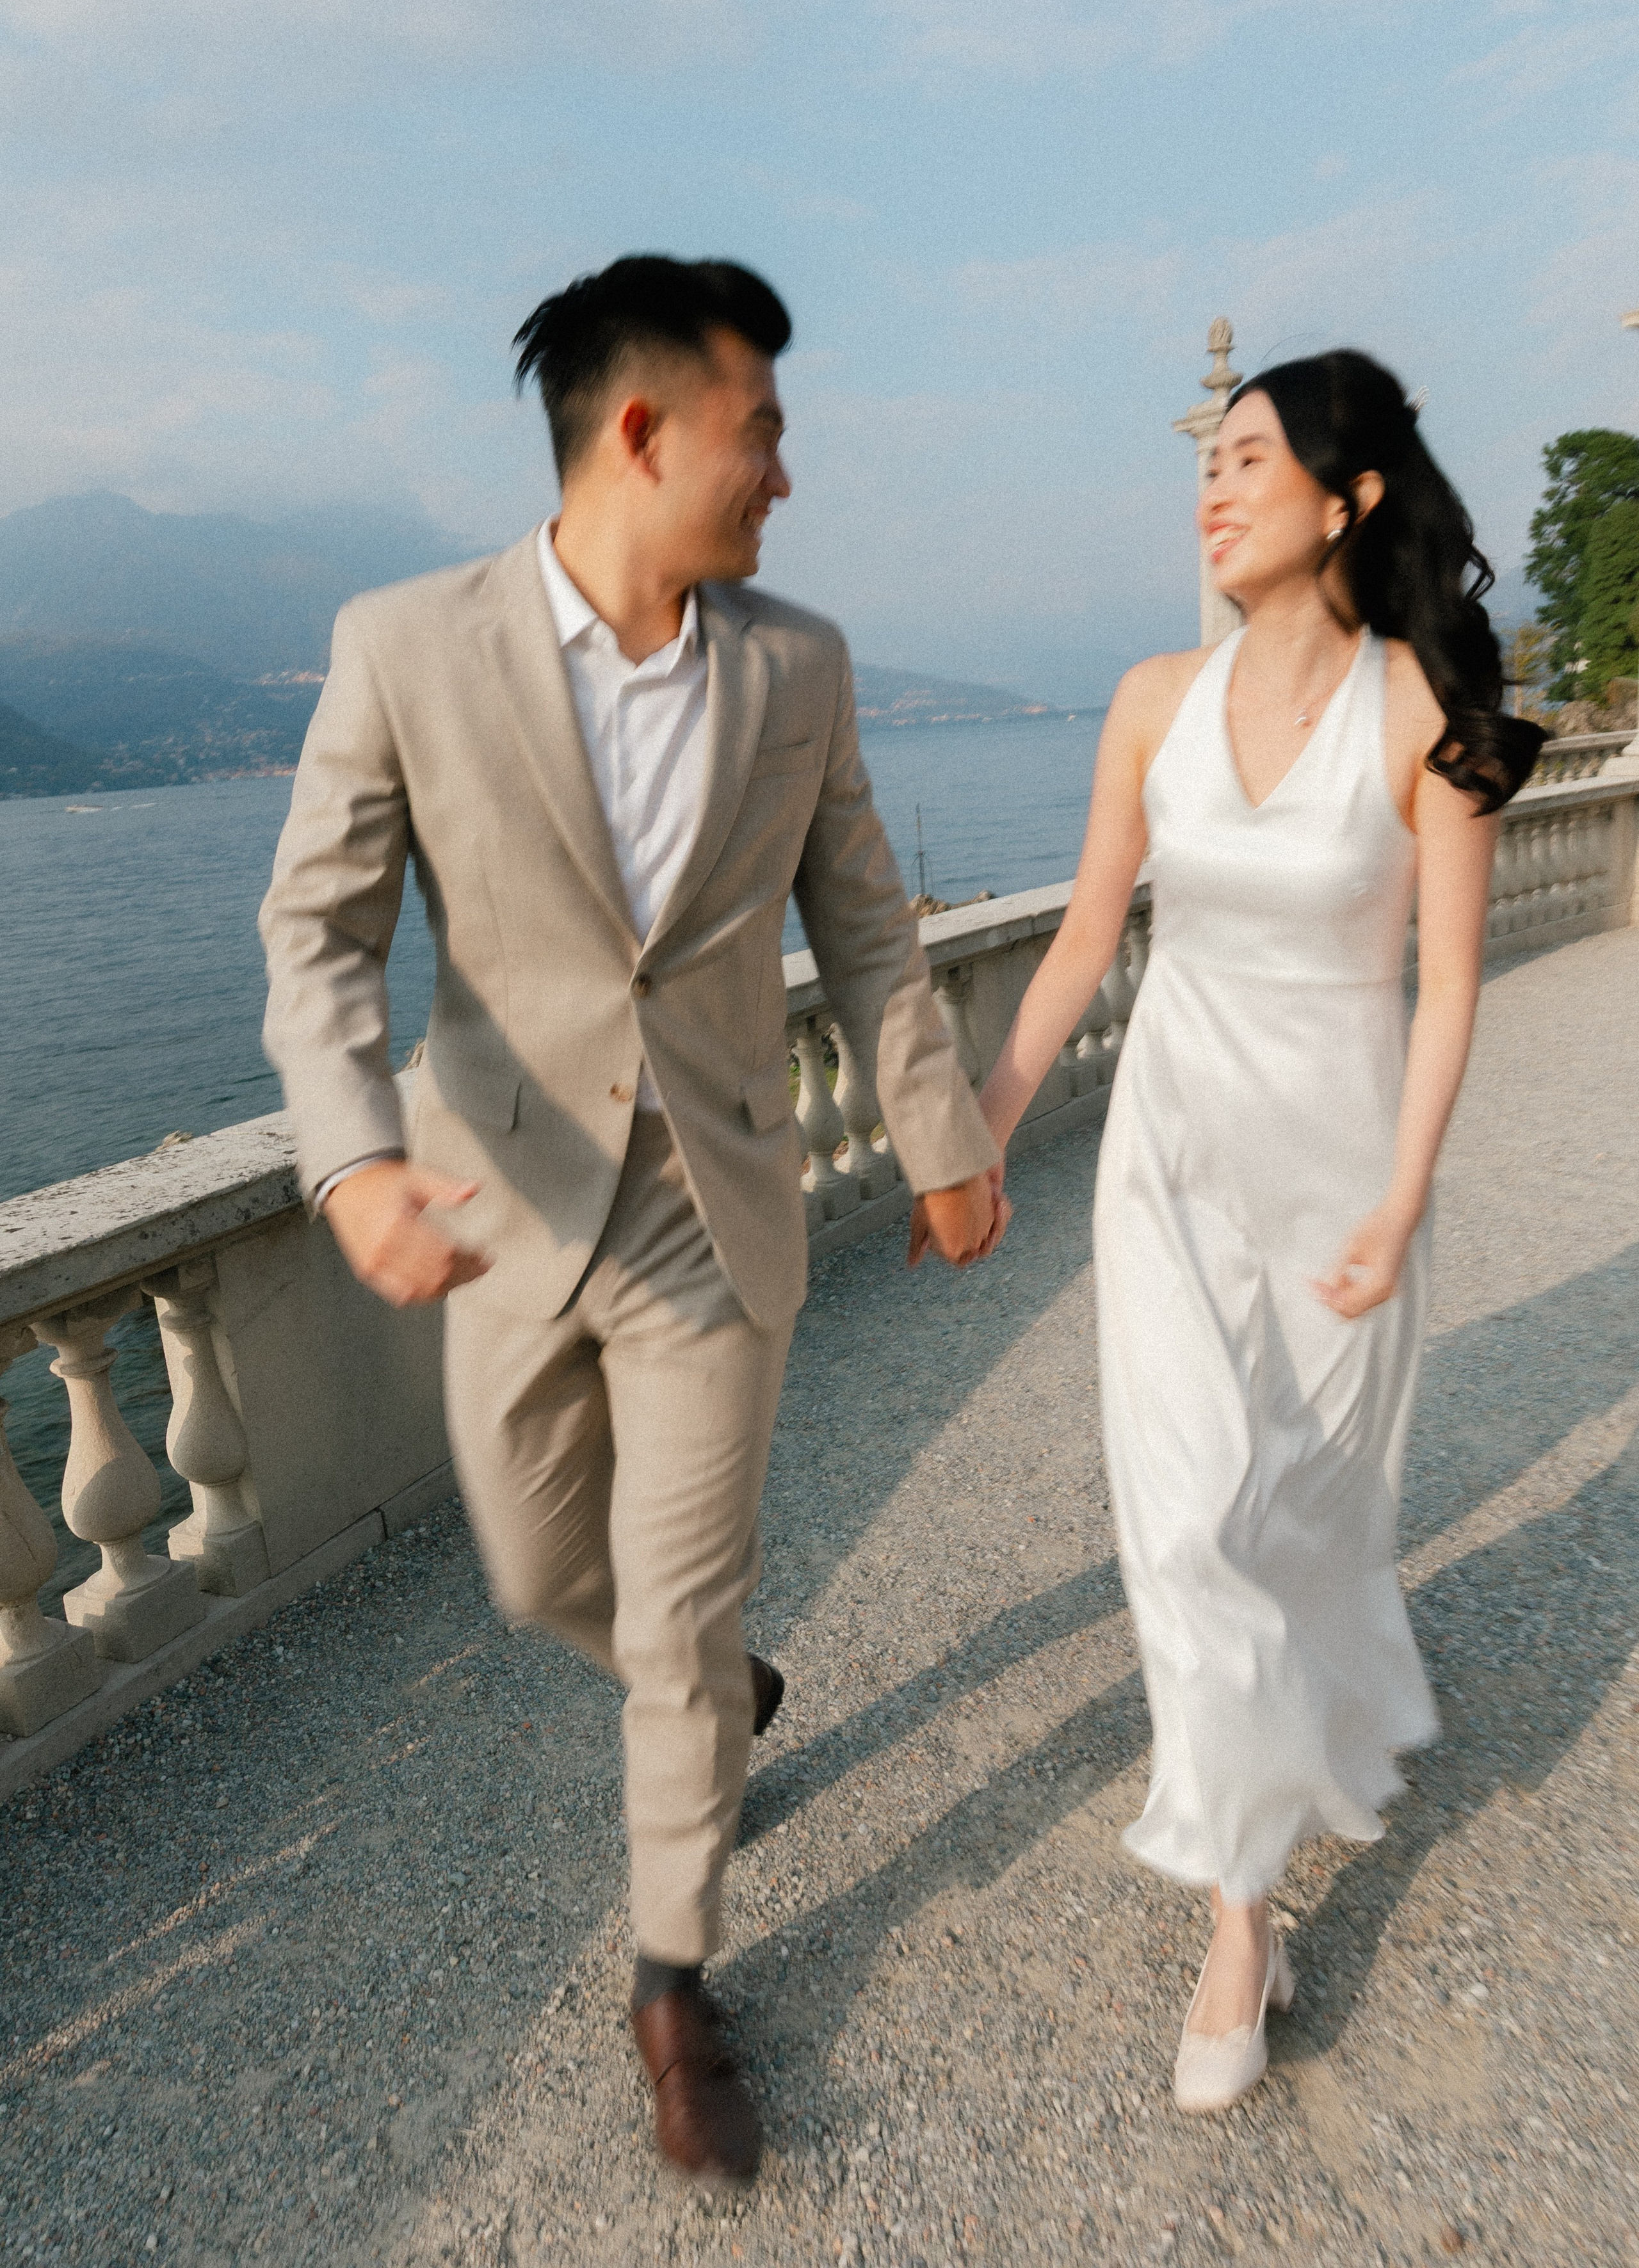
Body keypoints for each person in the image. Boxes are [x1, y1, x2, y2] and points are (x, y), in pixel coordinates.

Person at [259, 255, 1007, 2184]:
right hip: (503, 1206)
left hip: (718, 1206)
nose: (787, 476)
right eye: (766, 432)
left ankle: (675, 1983)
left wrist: (940, 1136)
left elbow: (869, 927)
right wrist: (352, 1163)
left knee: (675, 1613)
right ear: (646, 430)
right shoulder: (404, 644)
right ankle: (726, 1700)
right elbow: (317, 939)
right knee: (537, 1578)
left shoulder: (797, 665)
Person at [977, 349, 1542, 2114]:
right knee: (1190, 1522)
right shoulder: (1153, 700)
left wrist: (1403, 1196)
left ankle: (1298, 1765)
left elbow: (1449, 988)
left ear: (1347, 497)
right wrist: (975, 1135)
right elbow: (1084, 942)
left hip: (1340, 1180)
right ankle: (1242, 1918)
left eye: (1246, 460)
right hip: (1170, 1165)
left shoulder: (1418, 711)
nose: (1211, 490)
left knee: (1302, 1524)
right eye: (1207, 463)